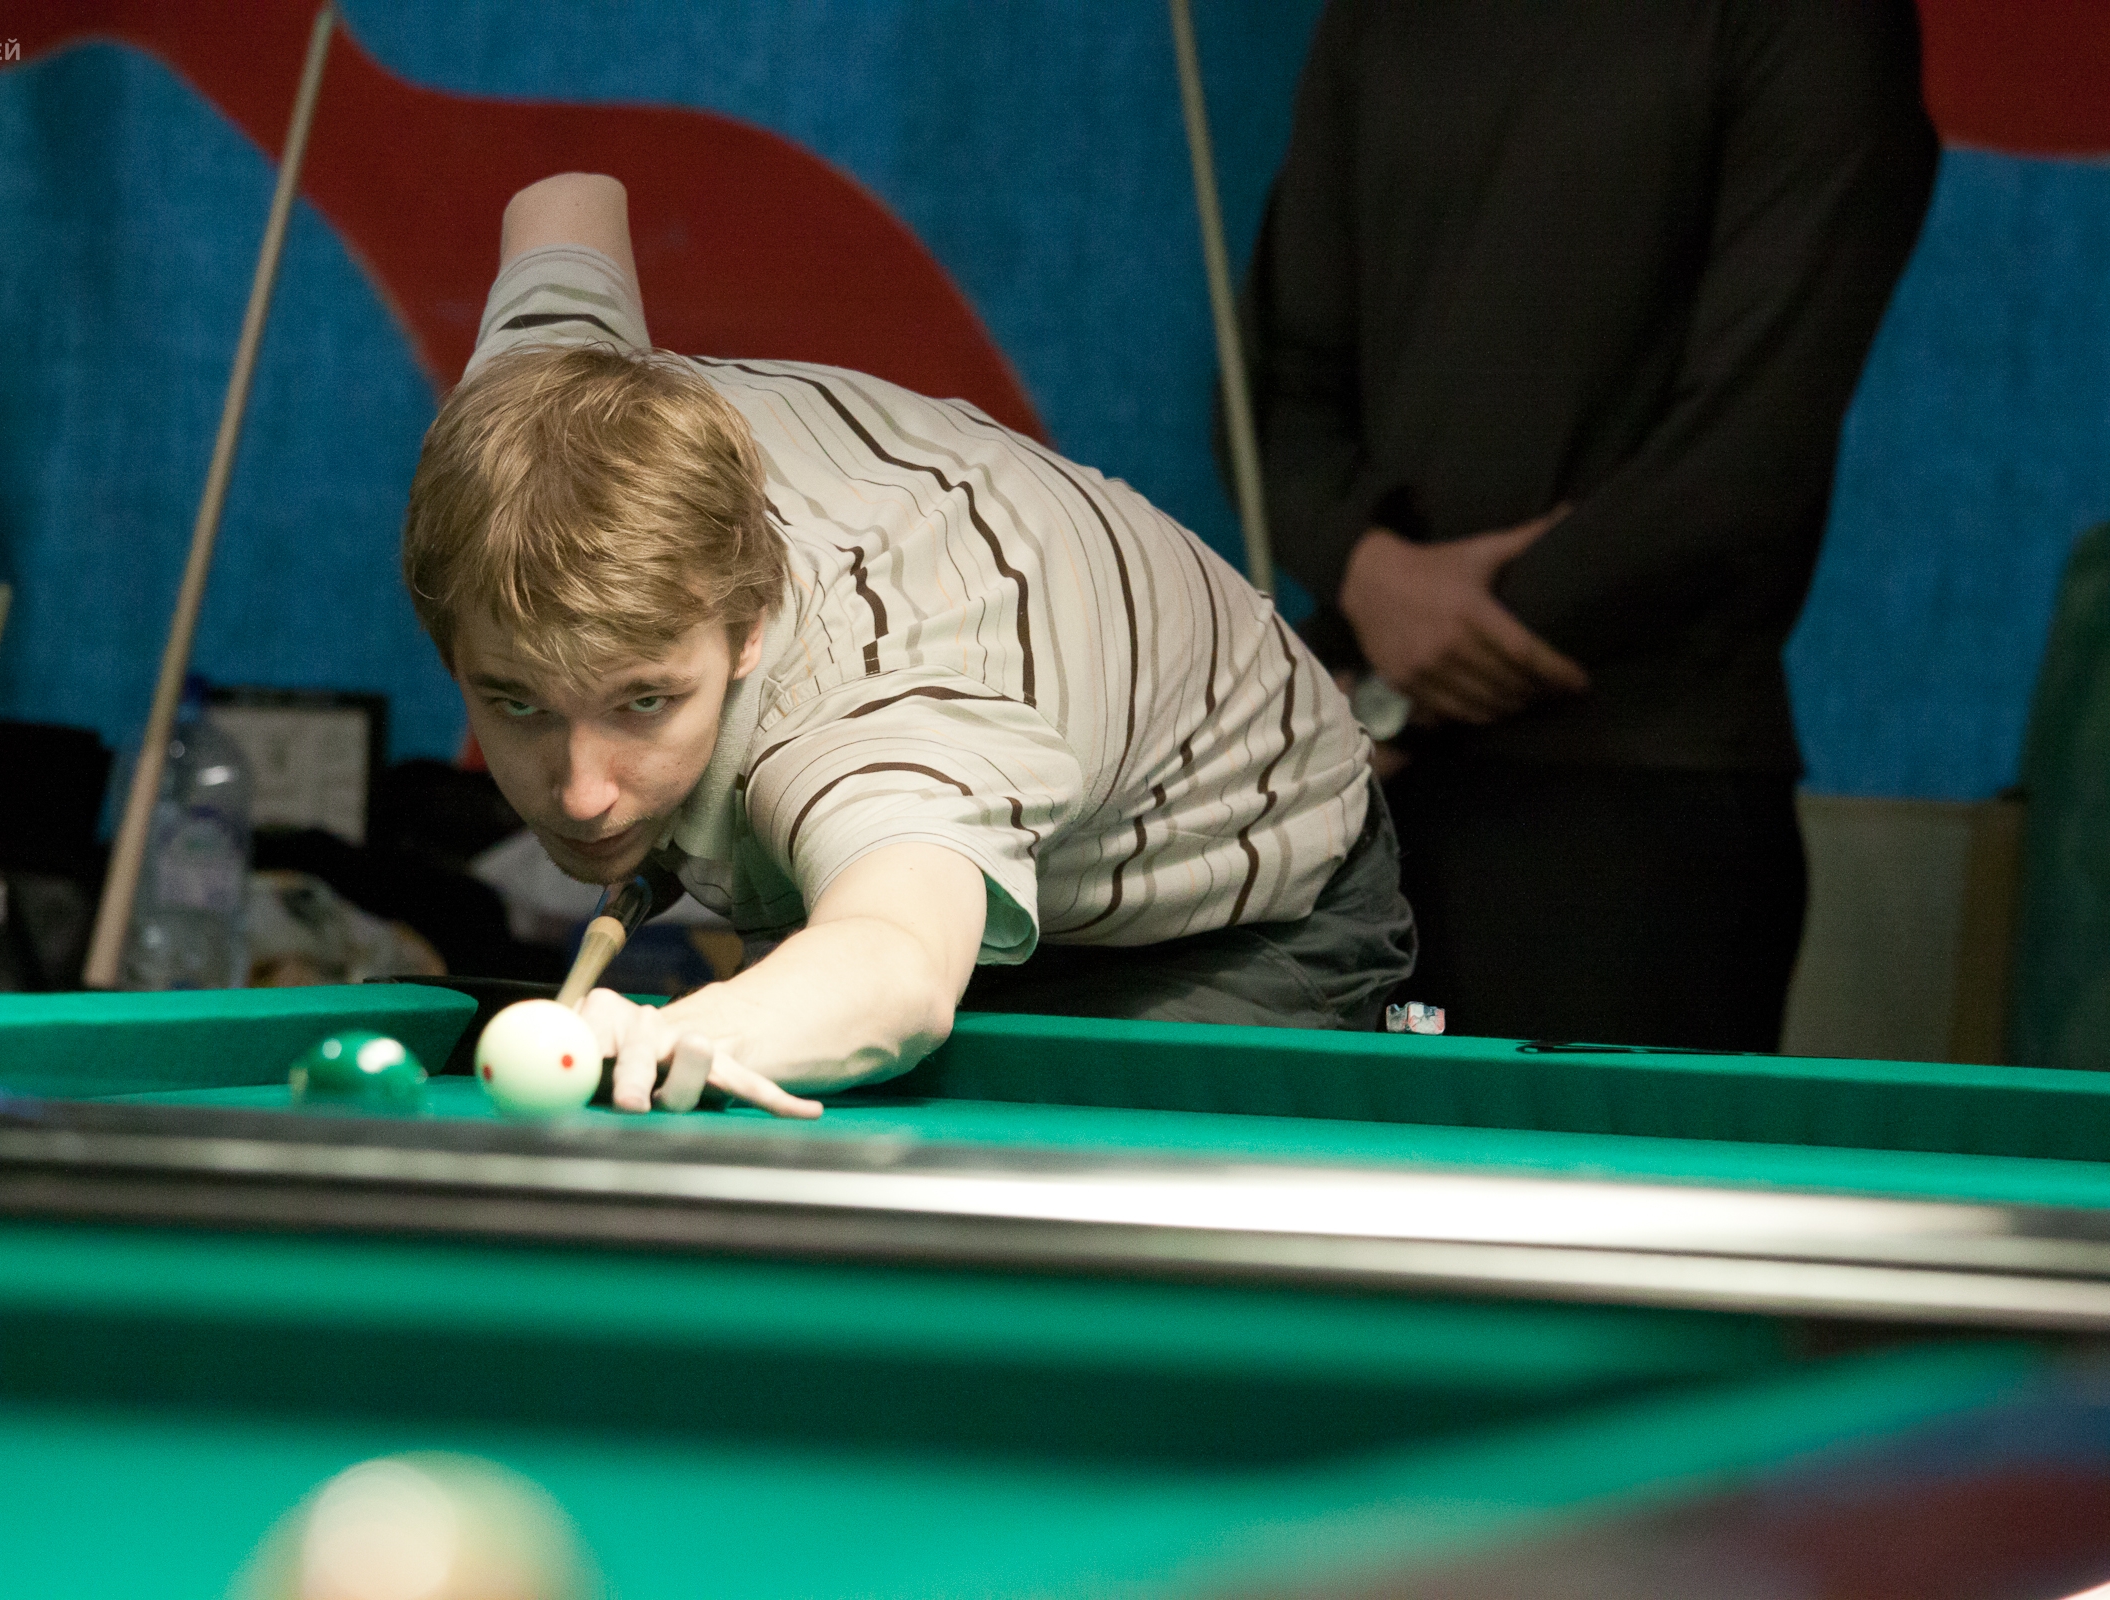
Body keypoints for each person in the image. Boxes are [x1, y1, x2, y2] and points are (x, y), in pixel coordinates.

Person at [403, 174, 1414, 1117]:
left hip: (1219, 911)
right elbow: (568, 208)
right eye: (519, 703)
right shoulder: (522, 430)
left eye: (644, 701)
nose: (582, 793)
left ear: (749, 628)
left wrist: (687, 1032)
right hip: (943, 815)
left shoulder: (877, 707)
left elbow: (895, 962)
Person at [1241, 0, 1937, 1050]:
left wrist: (1394, 683)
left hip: (1633, 821)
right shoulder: (1383, 15)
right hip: (1359, 806)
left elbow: (1743, 458)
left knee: (1592, 1166)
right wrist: (1366, 571)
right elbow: (1273, 385)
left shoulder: (1813, 23)